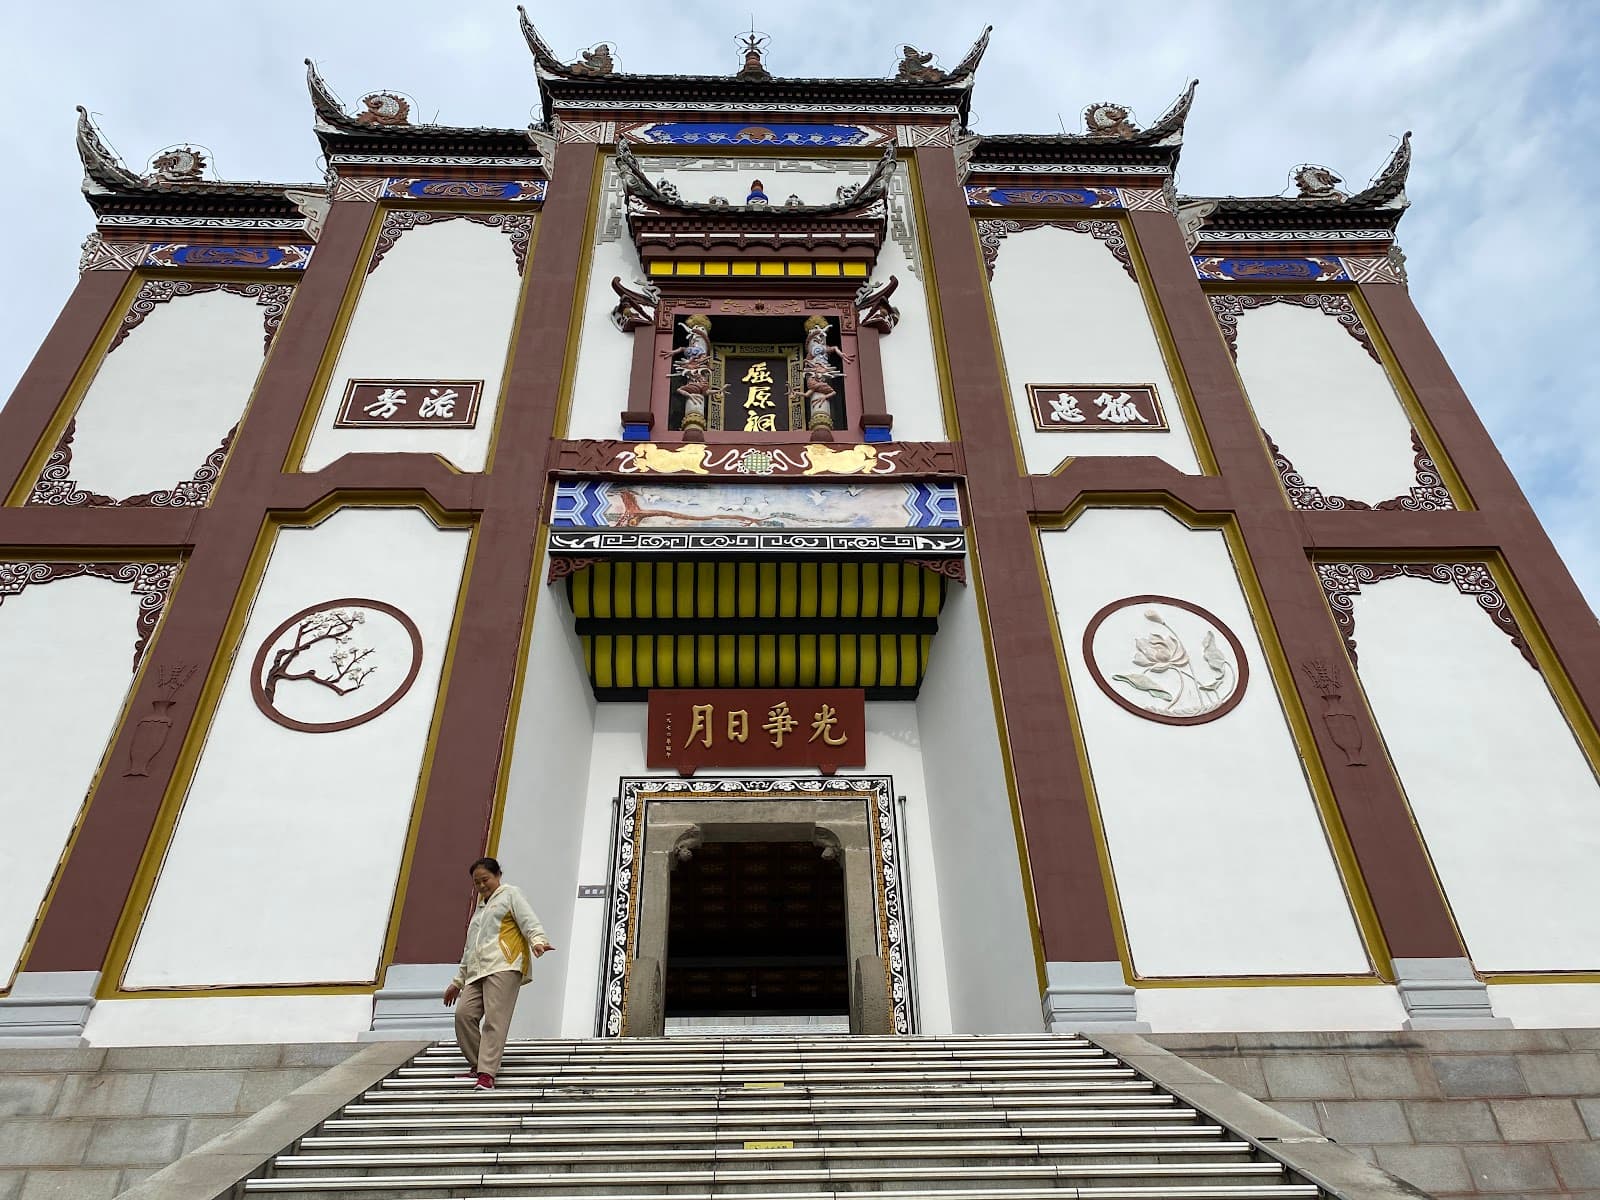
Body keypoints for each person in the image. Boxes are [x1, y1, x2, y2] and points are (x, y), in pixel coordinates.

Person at [442, 857, 555, 1090]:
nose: (482, 886)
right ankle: (478, 1064)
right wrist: (457, 982)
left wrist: (538, 941)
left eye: (485, 880)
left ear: (498, 875)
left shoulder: (511, 894)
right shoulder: (480, 909)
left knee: (495, 1020)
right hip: (477, 970)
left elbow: (529, 922)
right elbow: (470, 947)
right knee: (463, 1015)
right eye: (477, 882)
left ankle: (486, 1074)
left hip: (504, 964)